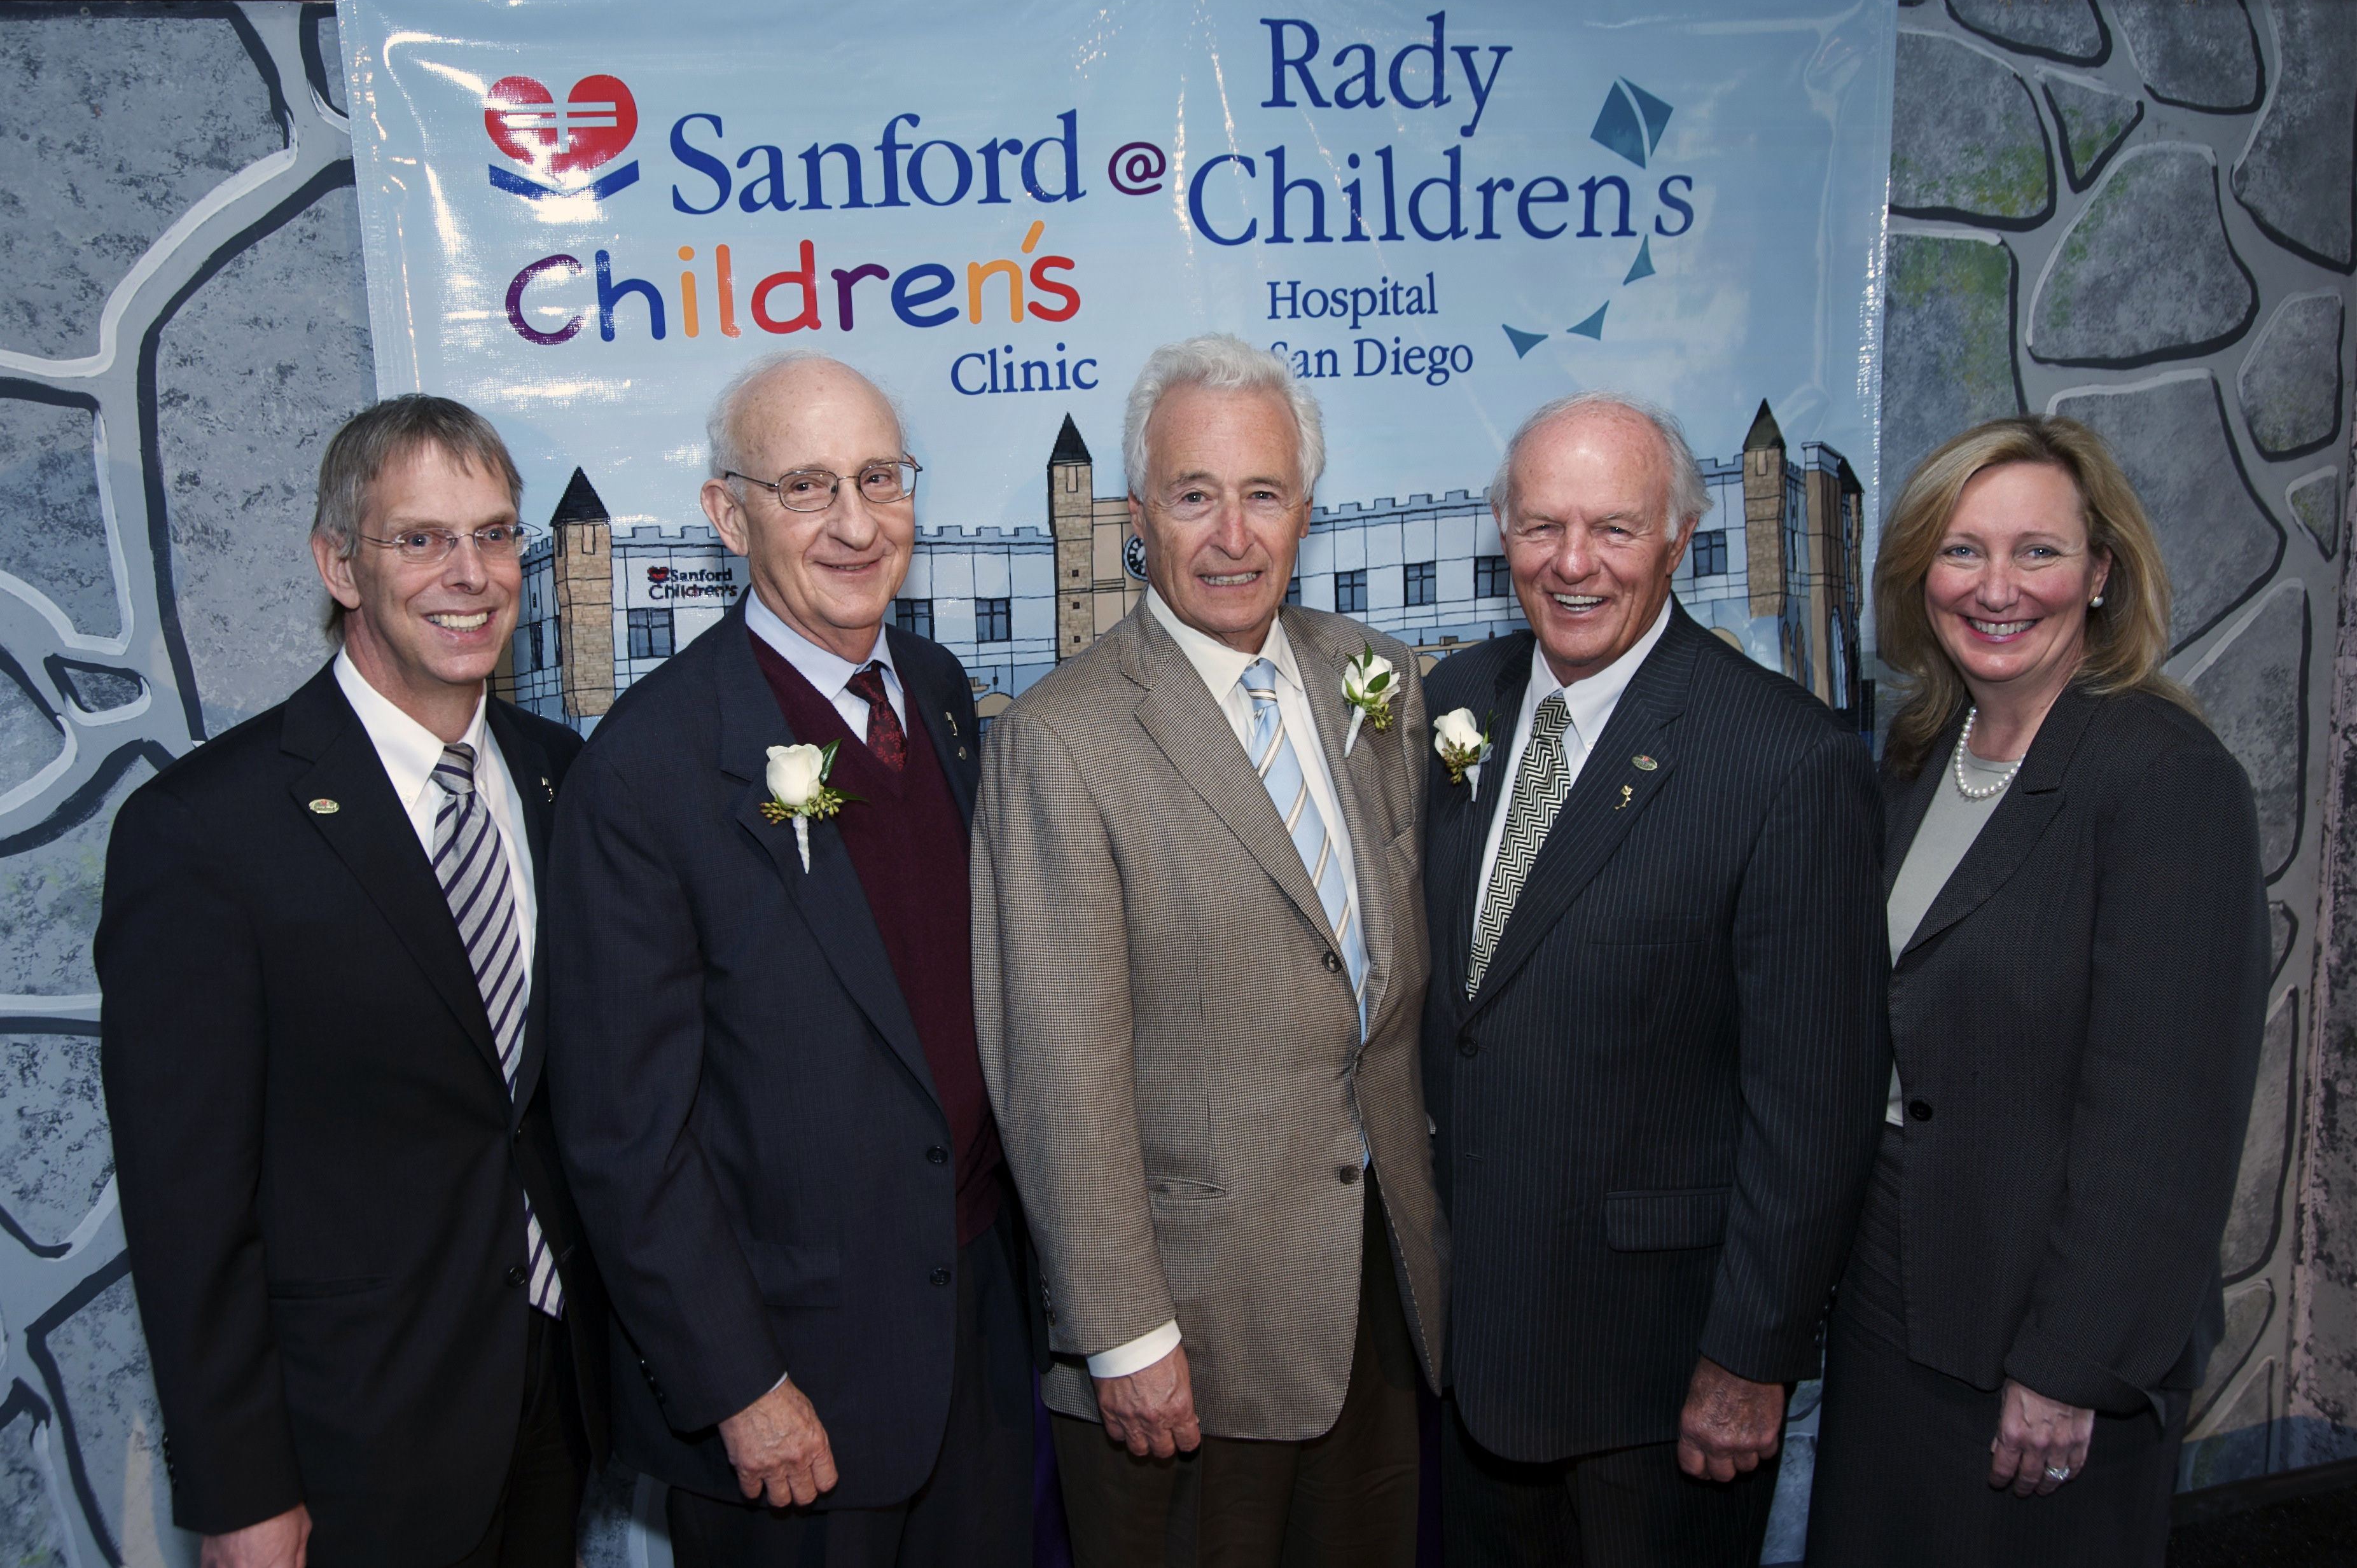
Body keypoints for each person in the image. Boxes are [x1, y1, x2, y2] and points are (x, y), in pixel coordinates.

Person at [97, 396, 608, 1568]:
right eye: (420, 539)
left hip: (559, 1397)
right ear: (339, 566)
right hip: (352, 1439)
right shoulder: (205, 831)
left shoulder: (562, 778)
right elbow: (185, 1207)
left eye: (493, 535)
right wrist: (240, 1489)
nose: (469, 575)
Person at [544, 350, 1034, 1568]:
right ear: (729, 515)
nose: (856, 524)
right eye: (808, 487)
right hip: (792, 1388)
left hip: (974, 1333)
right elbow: (622, 1134)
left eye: (880, 478)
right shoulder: (645, 770)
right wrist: (739, 1384)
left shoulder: (937, 692)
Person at [971, 334, 1446, 1565]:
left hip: (1379, 1307)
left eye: (1262, 494)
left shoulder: (1377, 679)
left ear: (1305, 511)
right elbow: (1056, 1074)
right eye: (1194, 496)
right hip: (1185, 1343)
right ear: (1137, 518)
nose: (1232, 536)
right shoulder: (1061, 739)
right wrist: (1123, 1334)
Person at [1420, 392, 1887, 1566]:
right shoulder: (1452, 703)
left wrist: (1750, 1359)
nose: (1572, 564)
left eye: (1614, 529)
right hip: (1470, 1357)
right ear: (1502, 533)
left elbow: (1815, 1102)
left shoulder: (1786, 760)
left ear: (1680, 538)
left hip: (1659, 1379)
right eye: (1541, 526)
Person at [1804, 416, 2269, 1566]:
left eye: (2037, 552)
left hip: (2044, 1335)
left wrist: (2071, 1364)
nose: (1996, 588)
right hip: (1892, 1302)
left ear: (2100, 572)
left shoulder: (2164, 780)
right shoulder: (1921, 754)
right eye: (1961, 551)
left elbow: (2165, 1122)